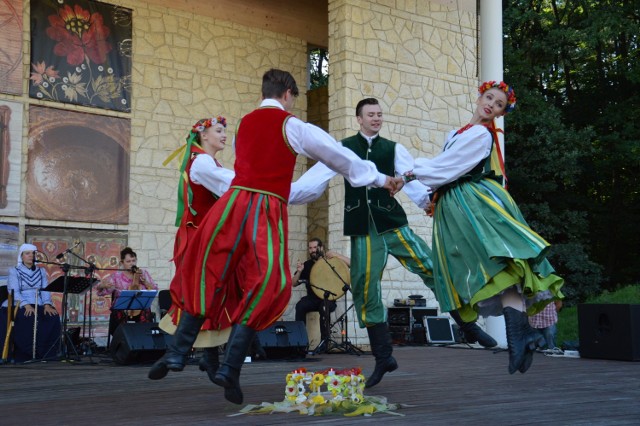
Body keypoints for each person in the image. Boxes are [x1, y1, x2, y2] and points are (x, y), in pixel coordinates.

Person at [149, 68, 401, 405]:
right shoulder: (292, 125)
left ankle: (180, 353)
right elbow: (338, 157)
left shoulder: (247, 124)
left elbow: (254, 176)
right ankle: (230, 365)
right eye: (293, 98)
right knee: (269, 283)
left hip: (233, 206)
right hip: (263, 212)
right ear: (287, 94)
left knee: (213, 273)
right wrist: (380, 179)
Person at [289, 97, 497, 388]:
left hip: (393, 224)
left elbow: (411, 179)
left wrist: (427, 201)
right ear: (359, 119)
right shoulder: (343, 148)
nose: (376, 118)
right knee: (363, 285)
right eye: (370, 114)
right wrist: (278, 194)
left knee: (430, 267)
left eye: (379, 114)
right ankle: (383, 356)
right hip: (363, 228)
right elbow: (312, 184)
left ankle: (468, 325)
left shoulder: (394, 148)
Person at [411, 81, 564, 374]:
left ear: (500, 113)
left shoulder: (481, 134)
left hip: (472, 203)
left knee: (499, 267)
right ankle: (523, 336)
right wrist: (429, 196)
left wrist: (408, 175)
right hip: (453, 207)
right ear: (479, 96)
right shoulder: (457, 133)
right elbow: (444, 170)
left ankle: (519, 337)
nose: (490, 105)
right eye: (489, 98)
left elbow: (446, 169)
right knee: (491, 271)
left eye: (497, 105)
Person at [4, 244, 60, 362]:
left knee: (52, 316)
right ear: (22, 256)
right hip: (20, 302)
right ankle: (25, 354)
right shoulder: (14, 271)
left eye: (33, 253)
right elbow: (13, 290)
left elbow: (45, 289)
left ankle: (47, 354)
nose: (31, 256)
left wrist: (46, 304)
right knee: (28, 316)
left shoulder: (41, 271)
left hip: (38, 301)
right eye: (27, 253)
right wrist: (26, 305)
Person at [292, 238, 347, 350]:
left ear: (321, 247)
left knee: (324, 307)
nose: (312, 250)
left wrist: (336, 255)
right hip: (312, 299)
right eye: (310, 248)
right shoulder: (306, 265)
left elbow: (349, 264)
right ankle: (300, 343)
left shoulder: (330, 261)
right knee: (300, 306)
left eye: (315, 247)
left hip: (328, 298)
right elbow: (293, 283)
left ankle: (324, 343)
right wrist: (299, 271)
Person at [96, 247, 158, 338]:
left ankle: (144, 340)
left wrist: (144, 282)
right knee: (118, 313)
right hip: (122, 307)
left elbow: (155, 289)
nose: (132, 263)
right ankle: (122, 340)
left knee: (146, 311)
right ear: (122, 263)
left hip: (139, 307)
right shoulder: (116, 276)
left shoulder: (143, 273)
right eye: (128, 261)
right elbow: (101, 292)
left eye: (133, 261)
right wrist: (102, 286)